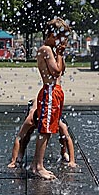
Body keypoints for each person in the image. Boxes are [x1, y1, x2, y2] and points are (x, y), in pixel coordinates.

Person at [30, 18, 71, 180]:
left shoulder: (52, 50)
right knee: (45, 130)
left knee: (49, 129)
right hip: (49, 92)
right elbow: (55, 72)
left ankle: (35, 164)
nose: (62, 42)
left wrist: (60, 54)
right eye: (61, 37)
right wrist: (59, 54)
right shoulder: (46, 49)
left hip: (55, 92)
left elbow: (62, 69)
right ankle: (39, 166)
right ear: (53, 35)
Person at [7, 98, 77, 169]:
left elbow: (68, 138)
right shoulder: (30, 120)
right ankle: (20, 154)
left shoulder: (54, 119)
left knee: (63, 135)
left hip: (49, 109)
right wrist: (13, 161)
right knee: (26, 134)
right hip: (34, 106)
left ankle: (63, 152)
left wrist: (72, 161)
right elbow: (18, 138)